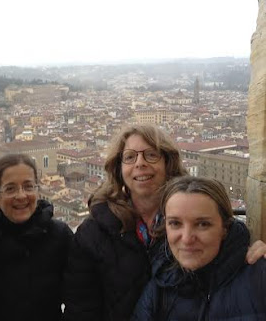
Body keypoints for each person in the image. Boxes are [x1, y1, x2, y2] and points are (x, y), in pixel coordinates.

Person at [63, 124, 266, 321]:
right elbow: (81, 310)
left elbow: (232, 246)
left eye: (151, 155)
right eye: (130, 157)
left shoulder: (221, 231)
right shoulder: (92, 234)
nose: (140, 163)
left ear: (168, 163)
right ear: (119, 169)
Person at [132, 175, 266, 320]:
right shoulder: (160, 285)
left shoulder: (259, 278)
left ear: (224, 229)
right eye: (175, 223)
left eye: (203, 224)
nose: (187, 239)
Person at [0, 153, 73, 321]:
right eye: (10, 188)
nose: (21, 195)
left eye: (28, 186)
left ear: (38, 191)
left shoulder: (59, 235)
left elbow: (80, 296)